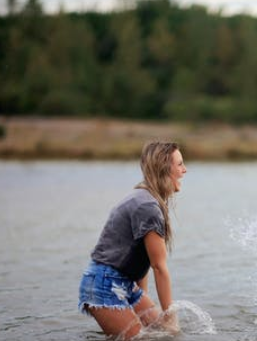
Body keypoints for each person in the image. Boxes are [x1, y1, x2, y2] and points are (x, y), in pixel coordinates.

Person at [78, 141, 187, 340]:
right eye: (179, 164)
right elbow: (159, 266)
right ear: (164, 168)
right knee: (156, 334)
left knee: (165, 334)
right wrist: (170, 314)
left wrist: (140, 300)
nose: (184, 170)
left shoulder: (147, 198)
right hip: (105, 284)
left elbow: (141, 259)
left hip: (123, 283)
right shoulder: (148, 207)